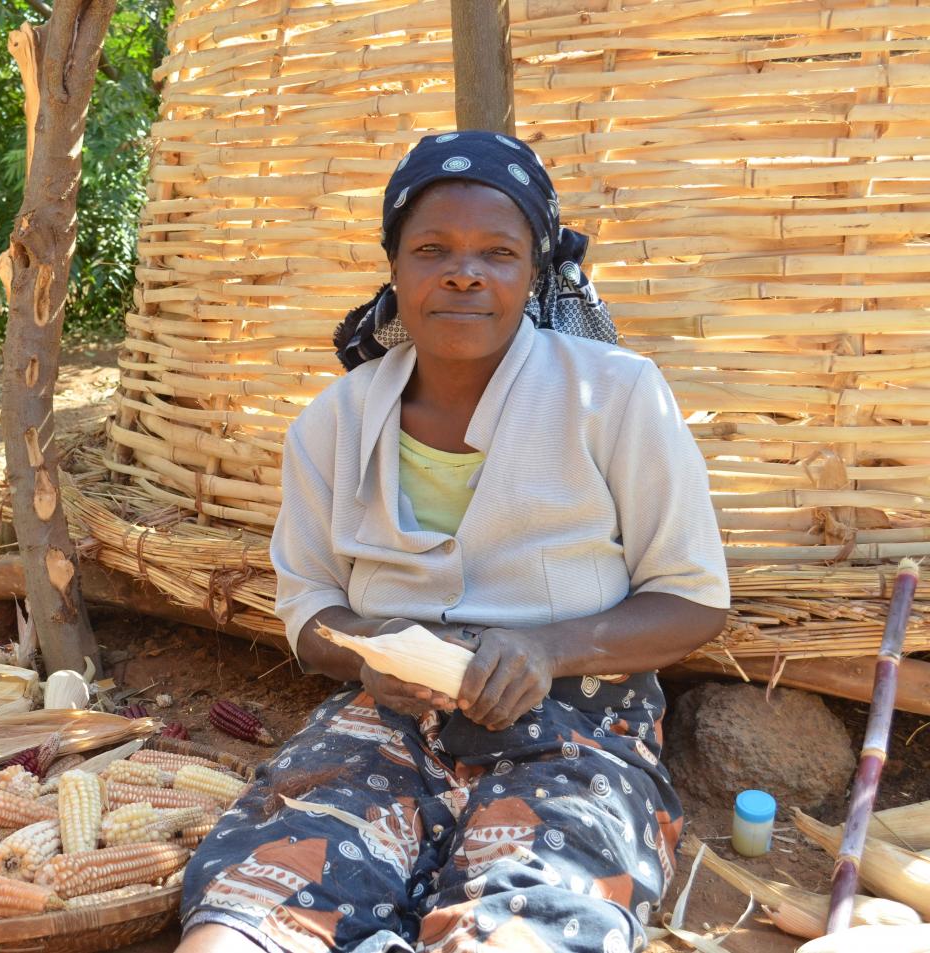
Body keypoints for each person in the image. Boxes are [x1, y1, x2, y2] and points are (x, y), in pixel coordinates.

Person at [175, 131, 730, 953]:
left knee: (526, 931)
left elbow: (694, 599)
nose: (463, 272)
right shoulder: (332, 424)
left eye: (497, 253)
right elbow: (309, 607)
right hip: (384, 721)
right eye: (432, 248)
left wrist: (543, 649)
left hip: (579, 722)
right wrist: (373, 652)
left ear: (534, 272)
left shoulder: (616, 397)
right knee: (244, 926)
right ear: (394, 269)